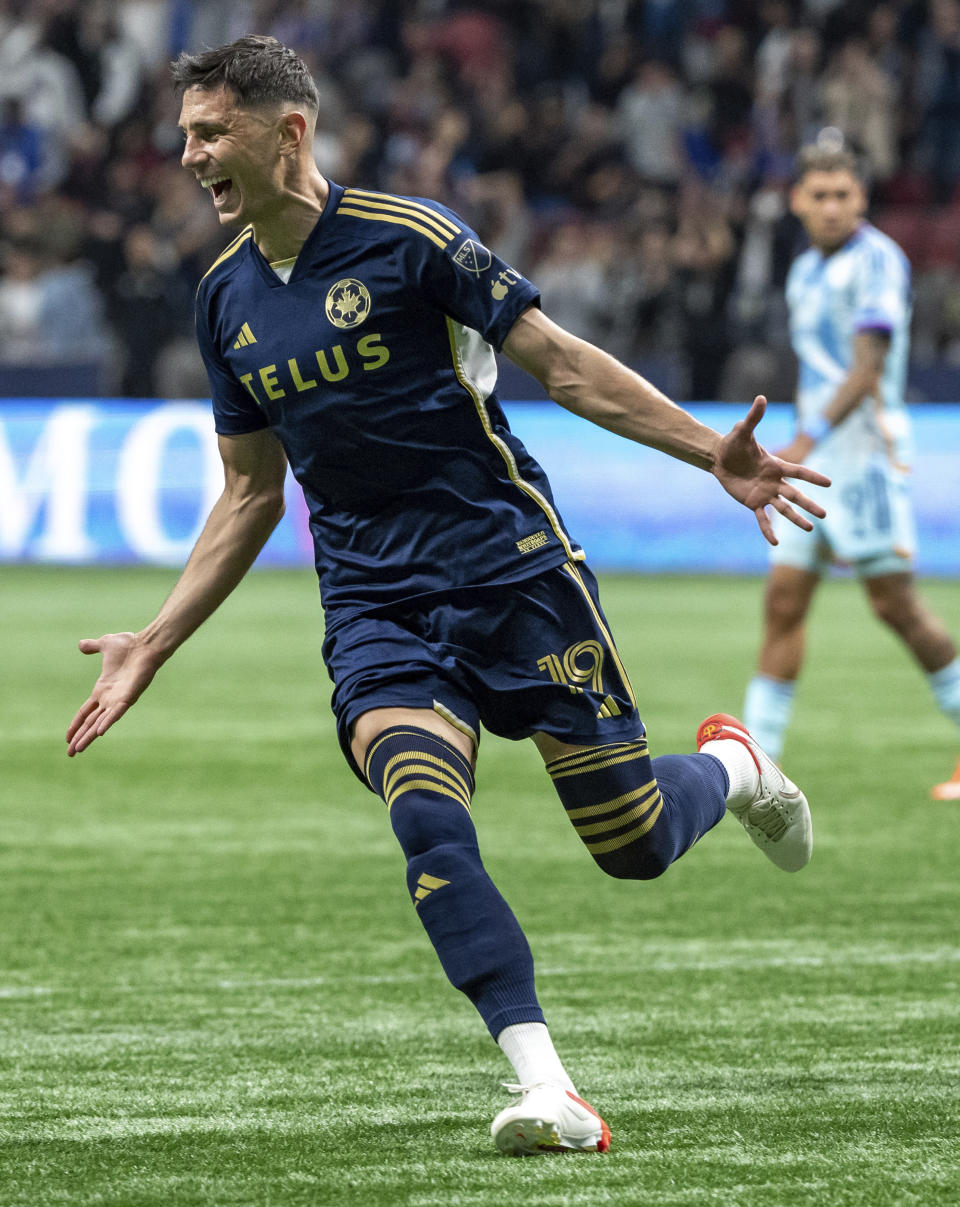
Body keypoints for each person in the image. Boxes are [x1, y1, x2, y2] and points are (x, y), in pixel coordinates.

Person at [66, 36, 831, 1155]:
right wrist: (155, 640)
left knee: (632, 842)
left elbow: (561, 365)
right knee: (426, 813)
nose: (188, 155)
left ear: (289, 132)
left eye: (209, 131)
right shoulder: (224, 299)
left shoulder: (412, 239)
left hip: (511, 568)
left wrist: (712, 450)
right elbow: (248, 494)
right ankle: (551, 1089)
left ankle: (735, 768)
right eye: (184, 133)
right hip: (374, 603)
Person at [743, 139, 960, 801]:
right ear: (798, 200)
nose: (832, 206)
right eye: (820, 194)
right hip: (813, 455)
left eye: (844, 194)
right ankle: (757, 768)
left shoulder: (879, 263)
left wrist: (801, 441)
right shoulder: (804, 267)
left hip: (863, 458)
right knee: (784, 601)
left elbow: (866, 371)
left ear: (861, 199)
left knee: (895, 605)